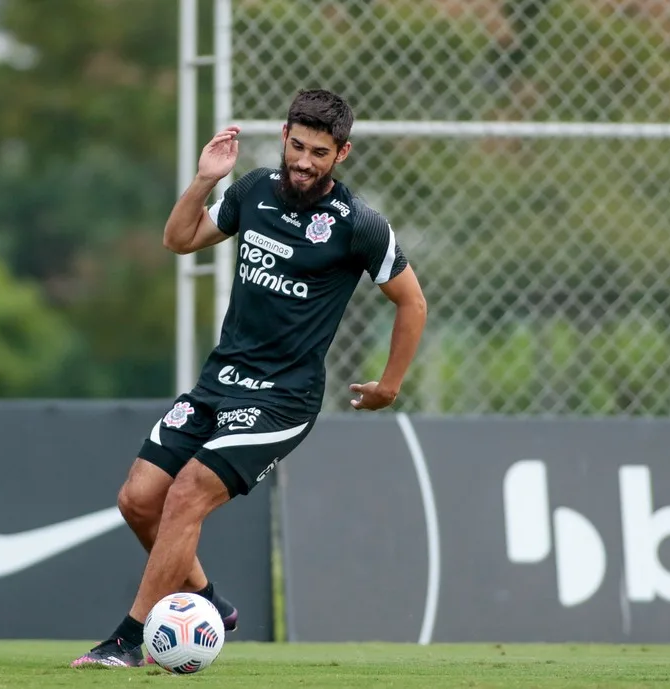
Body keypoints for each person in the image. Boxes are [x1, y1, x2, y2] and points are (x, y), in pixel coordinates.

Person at [71, 89, 427, 668]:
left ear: (342, 153)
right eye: (297, 145)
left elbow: (412, 304)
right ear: (284, 136)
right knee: (138, 501)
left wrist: (389, 384)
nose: (304, 161)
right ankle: (209, 601)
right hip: (219, 384)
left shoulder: (359, 224)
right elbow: (178, 240)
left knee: (186, 493)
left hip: (283, 401)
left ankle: (130, 641)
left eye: (319, 151)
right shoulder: (253, 192)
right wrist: (205, 178)